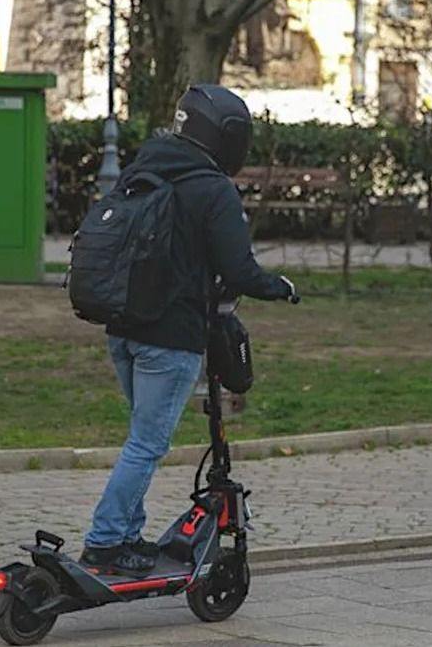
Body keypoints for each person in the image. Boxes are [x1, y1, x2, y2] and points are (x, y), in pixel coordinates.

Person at [80, 85, 296, 575]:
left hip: (122, 329)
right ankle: (106, 542)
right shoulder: (212, 188)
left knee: (141, 438)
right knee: (148, 444)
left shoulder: (144, 169)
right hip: (170, 336)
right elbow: (239, 270)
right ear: (224, 135)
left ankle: (129, 536)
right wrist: (278, 288)